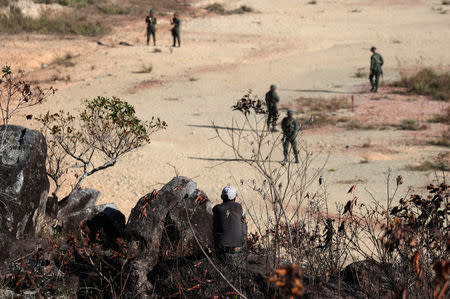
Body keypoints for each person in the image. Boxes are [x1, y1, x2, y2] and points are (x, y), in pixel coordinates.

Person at [212, 186, 246, 254]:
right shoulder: (238, 207)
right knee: (243, 221)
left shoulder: (217, 208)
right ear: (234, 198)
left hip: (221, 245)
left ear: (222, 197)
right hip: (238, 244)